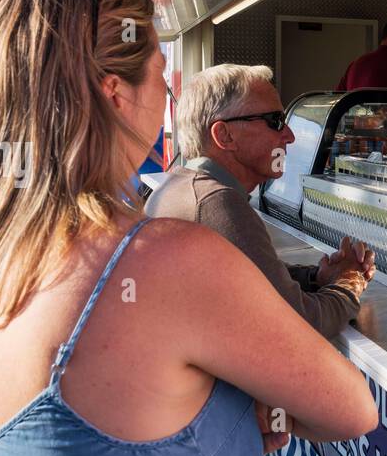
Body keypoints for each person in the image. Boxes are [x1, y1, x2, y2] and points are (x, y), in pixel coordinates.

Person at [0, 0, 377, 456]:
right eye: (161, 77)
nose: (166, 98)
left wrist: (218, 411)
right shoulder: (164, 258)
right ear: (114, 94)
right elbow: (351, 410)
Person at [148, 64, 375, 338]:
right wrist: (350, 281)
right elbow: (302, 324)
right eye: (275, 121)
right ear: (224, 135)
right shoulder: (217, 204)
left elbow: (247, 277)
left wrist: (315, 278)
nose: (289, 136)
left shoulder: (180, 187)